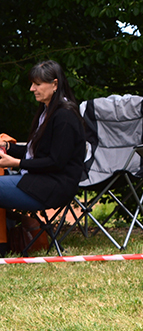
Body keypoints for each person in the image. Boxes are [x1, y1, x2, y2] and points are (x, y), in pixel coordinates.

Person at [0, 60, 87, 256]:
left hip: (53, 186)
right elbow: (36, 154)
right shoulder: (47, 112)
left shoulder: (65, 116)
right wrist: (7, 147)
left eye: (37, 84)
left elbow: (55, 162)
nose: (32, 89)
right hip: (38, 181)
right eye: (32, 84)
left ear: (55, 84)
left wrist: (15, 163)